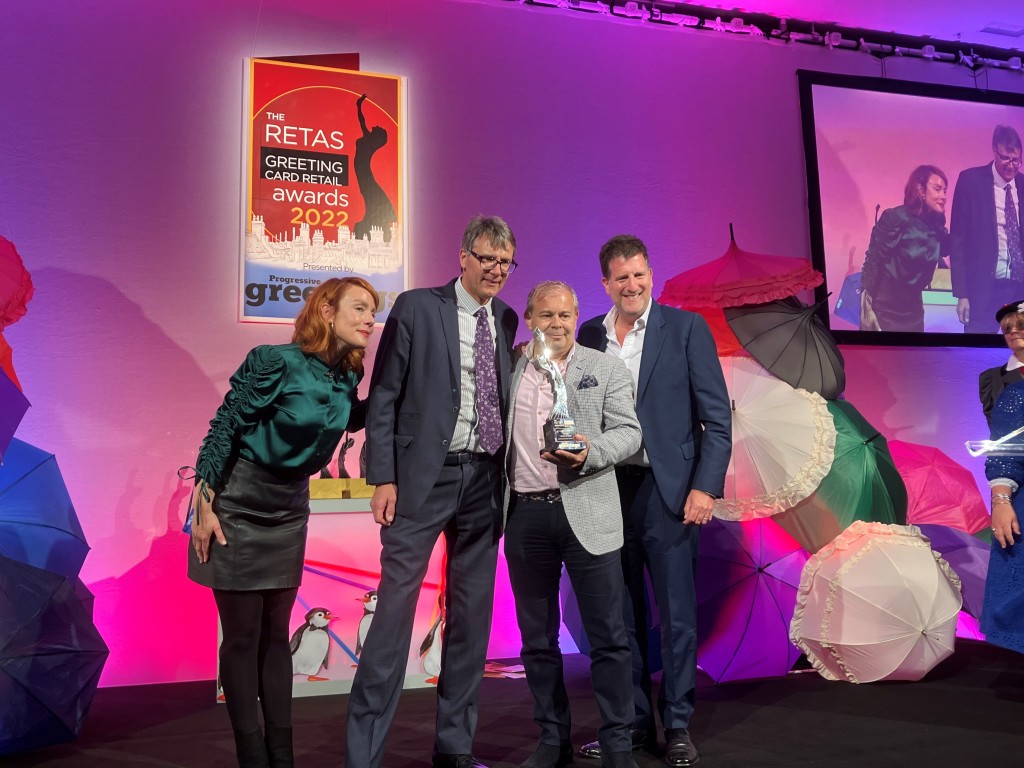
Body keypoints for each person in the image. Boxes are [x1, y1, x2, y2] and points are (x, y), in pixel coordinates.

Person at [345, 215, 519, 768]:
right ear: (463, 257)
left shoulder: (509, 319)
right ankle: (363, 755)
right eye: (487, 258)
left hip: (485, 482)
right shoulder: (419, 307)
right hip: (423, 480)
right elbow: (386, 395)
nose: (495, 269)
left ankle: (455, 748)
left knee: (471, 622)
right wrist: (383, 477)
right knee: (394, 617)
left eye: (505, 261)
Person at [188, 277, 378, 768]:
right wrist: (203, 499)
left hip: (290, 509)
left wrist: (402, 388)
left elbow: (344, 418)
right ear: (327, 311)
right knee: (243, 636)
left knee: (277, 634)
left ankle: (282, 755)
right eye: (359, 308)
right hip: (238, 504)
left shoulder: (345, 376)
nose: (369, 319)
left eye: (372, 311)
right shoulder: (275, 361)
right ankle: (251, 755)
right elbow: (225, 425)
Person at [577, 235, 732, 768]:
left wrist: (705, 486)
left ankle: (680, 725)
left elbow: (718, 418)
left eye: (639, 275)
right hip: (606, 490)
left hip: (670, 494)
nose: (632, 285)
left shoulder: (686, 329)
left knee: (677, 615)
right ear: (605, 283)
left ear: (650, 274)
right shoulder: (590, 335)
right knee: (620, 617)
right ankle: (634, 723)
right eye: (621, 277)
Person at [505, 281, 642, 768]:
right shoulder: (511, 369)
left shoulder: (604, 367)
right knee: (537, 640)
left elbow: (629, 432)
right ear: (529, 318)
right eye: (546, 315)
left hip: (589, 511)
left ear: (577, 315)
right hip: (526, 514)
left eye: (565, 315)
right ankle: (551, 741)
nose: (557, 324)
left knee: (608, 637)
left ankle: (618, 744)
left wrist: (590, 453)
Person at [977, 299, 1024, 656]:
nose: (1014, 333)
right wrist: (1001, 498)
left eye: (1020, 325)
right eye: (1008, 328)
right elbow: (1004, 445)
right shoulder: (1004, 387)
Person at [951, 125, 1024, 334]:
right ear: (994, 151)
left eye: (1016, 160)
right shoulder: (971, 181)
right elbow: (958, 241)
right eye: (1005, 159)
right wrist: (962, 294)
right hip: (984, 290)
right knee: (976, 356)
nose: (1011, 166)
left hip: (1019, 289)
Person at [860, 165, 949, 333]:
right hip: (885, 312)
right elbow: (873, 259)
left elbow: (950, 247)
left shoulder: (936, 226)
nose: (943, 196)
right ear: (920, 189)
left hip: (914, 313)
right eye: (937, 189)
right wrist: (866, 308)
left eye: (945, 191)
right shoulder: (896, 217)